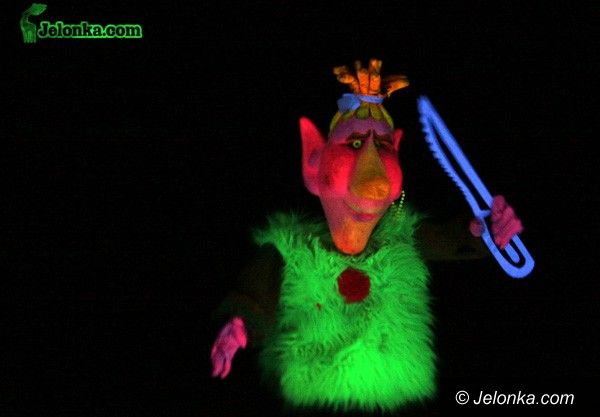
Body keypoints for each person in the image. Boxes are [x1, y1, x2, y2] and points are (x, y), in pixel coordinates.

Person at [209, 58, 523, 414]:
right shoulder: (290, 249)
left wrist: (489, 231)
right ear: (314, 159)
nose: (374, 180)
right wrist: (239, 325)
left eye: (384, 146)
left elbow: (456, 238)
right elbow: (254, 298)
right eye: (355, 143)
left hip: (397, 400)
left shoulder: (402, 239)